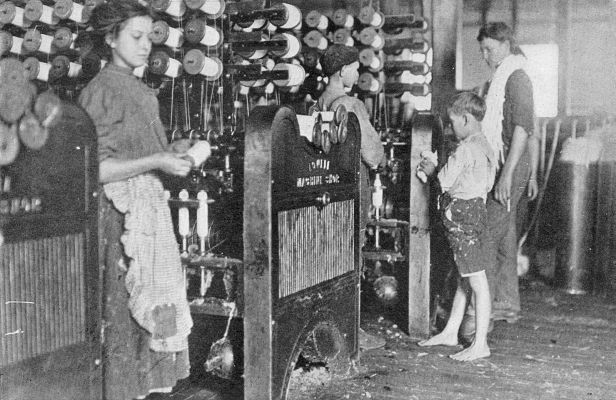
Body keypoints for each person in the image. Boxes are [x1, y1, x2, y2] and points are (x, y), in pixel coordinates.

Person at [78, 1, 205, 399]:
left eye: (150, 36)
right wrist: (158, 159)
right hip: (117, 220)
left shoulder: (140, 90)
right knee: (124, 314)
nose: (146, 45)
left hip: (144, 210)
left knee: (146, 318)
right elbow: (95, 170)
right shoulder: (100, 90)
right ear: (110, 39)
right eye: (135, 36)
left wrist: (176, 150)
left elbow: (144, 152)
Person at [459, 22, 539, 337]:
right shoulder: (501, 78)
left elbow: (522, 129)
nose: (485, 55)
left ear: (505, 45)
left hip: (510, 164)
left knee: (489, 236)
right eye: (482, 49)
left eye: (489, 49)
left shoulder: (517, 78)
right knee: (504, 233)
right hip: (507, 162)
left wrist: (508, 175)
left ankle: (480, 315)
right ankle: (506, 302)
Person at [417, 92, 496, 361]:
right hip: (477, 212)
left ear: (465, 119)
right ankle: (451, 332)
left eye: (452, 123)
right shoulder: (486, 145)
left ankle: (480, 344)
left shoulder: (464, 149)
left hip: (462, 216)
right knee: (465, 275)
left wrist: (430, 167)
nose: (450, 129)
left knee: (477, 281)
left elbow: (443, 181)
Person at [318, 44, 387, 351]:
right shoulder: (352, 105)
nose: (358, 73)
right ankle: (352, 333)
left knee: (330, 258)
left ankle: (331, 330)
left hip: (327, 189)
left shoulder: (317, 102)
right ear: (342, 70)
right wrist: (381, 156)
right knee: (352, 257)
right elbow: (373, 154)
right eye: (355, 67)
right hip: (353, 187)